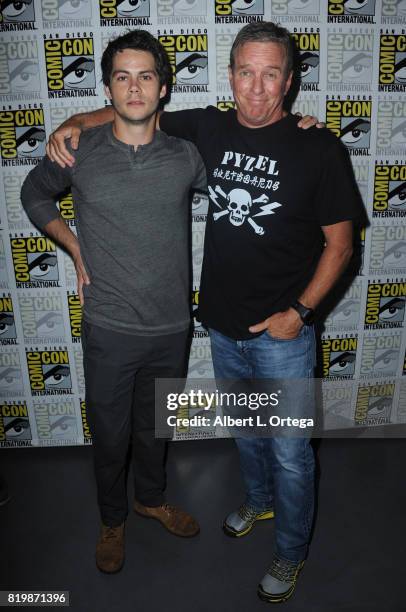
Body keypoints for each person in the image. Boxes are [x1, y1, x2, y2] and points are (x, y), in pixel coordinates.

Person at [46, 22, 360, 604]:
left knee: (292, 455)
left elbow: (341, 245)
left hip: (284, 335)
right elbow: (134, 112)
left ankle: (290, 555)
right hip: (221, 327)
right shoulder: (209, 127)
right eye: (247, 72)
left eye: (272, 74)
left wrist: (299, 312)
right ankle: (258, 503)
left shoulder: (319, 146)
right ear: (232, 75)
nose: (258, 88)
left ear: (290, 82)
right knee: (246, 433)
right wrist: (74, 123)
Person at [21, 30, 207, 575]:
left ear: (163, 87)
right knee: (111, 432)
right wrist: (75, 246)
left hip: (172, 325)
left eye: (145, 75)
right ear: (108, 87)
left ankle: (150, 499)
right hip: (109, 325)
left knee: (156, 427)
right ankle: (112, 519)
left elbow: (248, 173)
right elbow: (34, 194)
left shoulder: (186, 156)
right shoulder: (78, 151)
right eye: (122, 76)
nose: (134, 87)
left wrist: (300, 129)